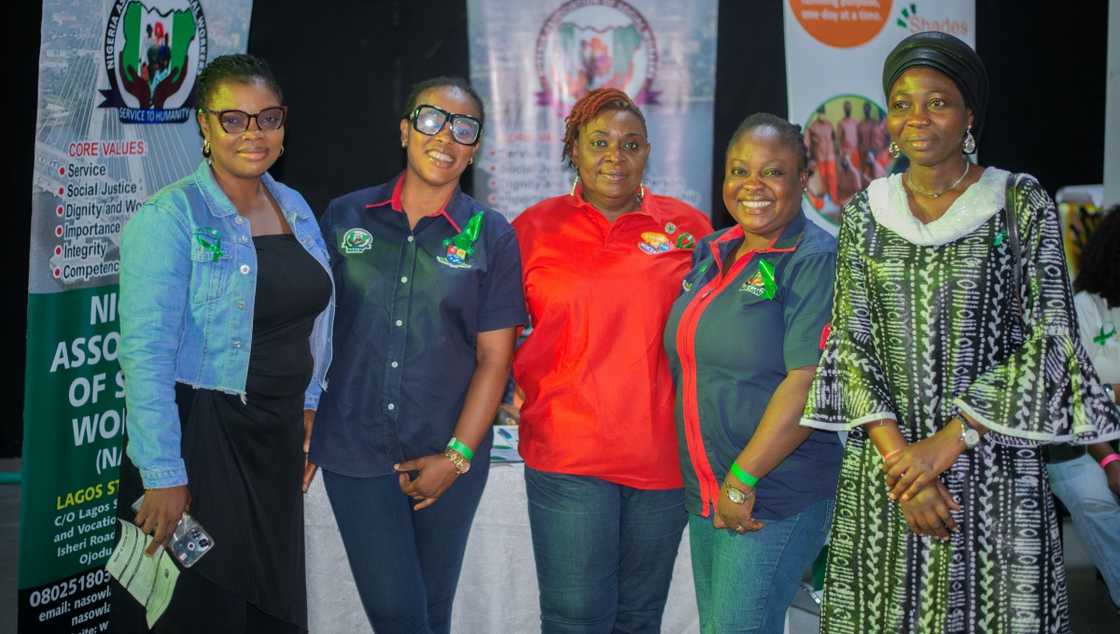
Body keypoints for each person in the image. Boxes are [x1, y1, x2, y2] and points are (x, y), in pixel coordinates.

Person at [800, 31, 1120, 632]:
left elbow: (1052, 338)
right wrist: (906, 466)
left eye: (938, 102)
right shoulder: (866, 210)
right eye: (901, 103)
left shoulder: (1018, 201)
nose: (916, 118)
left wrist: (949, 442)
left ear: (970, 115)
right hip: (890, 477)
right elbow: (849, 342)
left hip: (995, 467)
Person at [113, 53, 333, 633]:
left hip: (274, 440)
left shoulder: (294, 206)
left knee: (267, 608)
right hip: (204, 438)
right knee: (202, 612)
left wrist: (310, 402)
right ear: (204, 126)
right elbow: (145, 356)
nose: (253, 133)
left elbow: (314, 320)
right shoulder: (169, 218)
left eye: (268, 118)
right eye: (233, 119)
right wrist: (162, 473)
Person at [305, 76, 526, 634]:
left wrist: (456, 457)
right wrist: (305, 411)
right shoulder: (345, 216)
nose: (445, 136)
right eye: (431, 120)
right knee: (400, 616)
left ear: (474, 149)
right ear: (405, 131)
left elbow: (494, 360)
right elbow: (312, 327)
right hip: (354, 450)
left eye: (463, 128)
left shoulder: (491, 234)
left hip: (448, 449)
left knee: (432, 611)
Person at [513, 87, 712, 633]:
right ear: (573, 149)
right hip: (567, 453)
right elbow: (492, 332)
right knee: (575, 619)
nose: (614, 156)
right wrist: (507, 389)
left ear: (648, 152)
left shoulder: (690, 229)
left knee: (639, 619)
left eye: (630, 144)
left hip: (662, 458)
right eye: (599, 142)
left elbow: (718, 333)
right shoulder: (532, 229)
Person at [664, 113, 840, 633]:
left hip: (770, 494)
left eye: (773, 172)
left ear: (803, 180)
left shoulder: (814, 259)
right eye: (739, 170)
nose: (752, 186)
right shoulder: (714, 250)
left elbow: (807, 382)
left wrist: (742, 479)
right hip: (709, 490)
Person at [1046, 207, 1120, 612]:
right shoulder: (1084, 310)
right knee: (1095, 500)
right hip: (1081, 443)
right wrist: (1109, 460)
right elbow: (1073, 395)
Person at [805, 106, 838, 206]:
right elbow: (809, 144)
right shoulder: (813, 127)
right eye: (820, 113)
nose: (821, 116)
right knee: (823, 179)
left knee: (832, 178)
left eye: (823, 113)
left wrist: (837, 152)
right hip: (820, 157)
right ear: (817, 114)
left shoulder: (829, 125)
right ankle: (825, 202)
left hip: (831, 156)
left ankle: (834, 200)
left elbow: (834, 138)